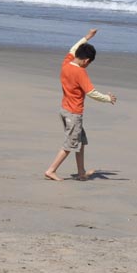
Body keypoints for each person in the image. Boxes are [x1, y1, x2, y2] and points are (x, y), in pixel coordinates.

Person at [44, 28, 117, 181]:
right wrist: (108, 98)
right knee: (70, 144)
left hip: (65, 110)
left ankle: (81, 172)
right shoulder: (80, 72)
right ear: (86, 61)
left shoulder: (66, 63)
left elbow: (73, 48)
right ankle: (51, 170)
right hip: (73, 113)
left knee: (80, 142)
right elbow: (91, 92)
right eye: (88, 63)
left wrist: (87, 37)